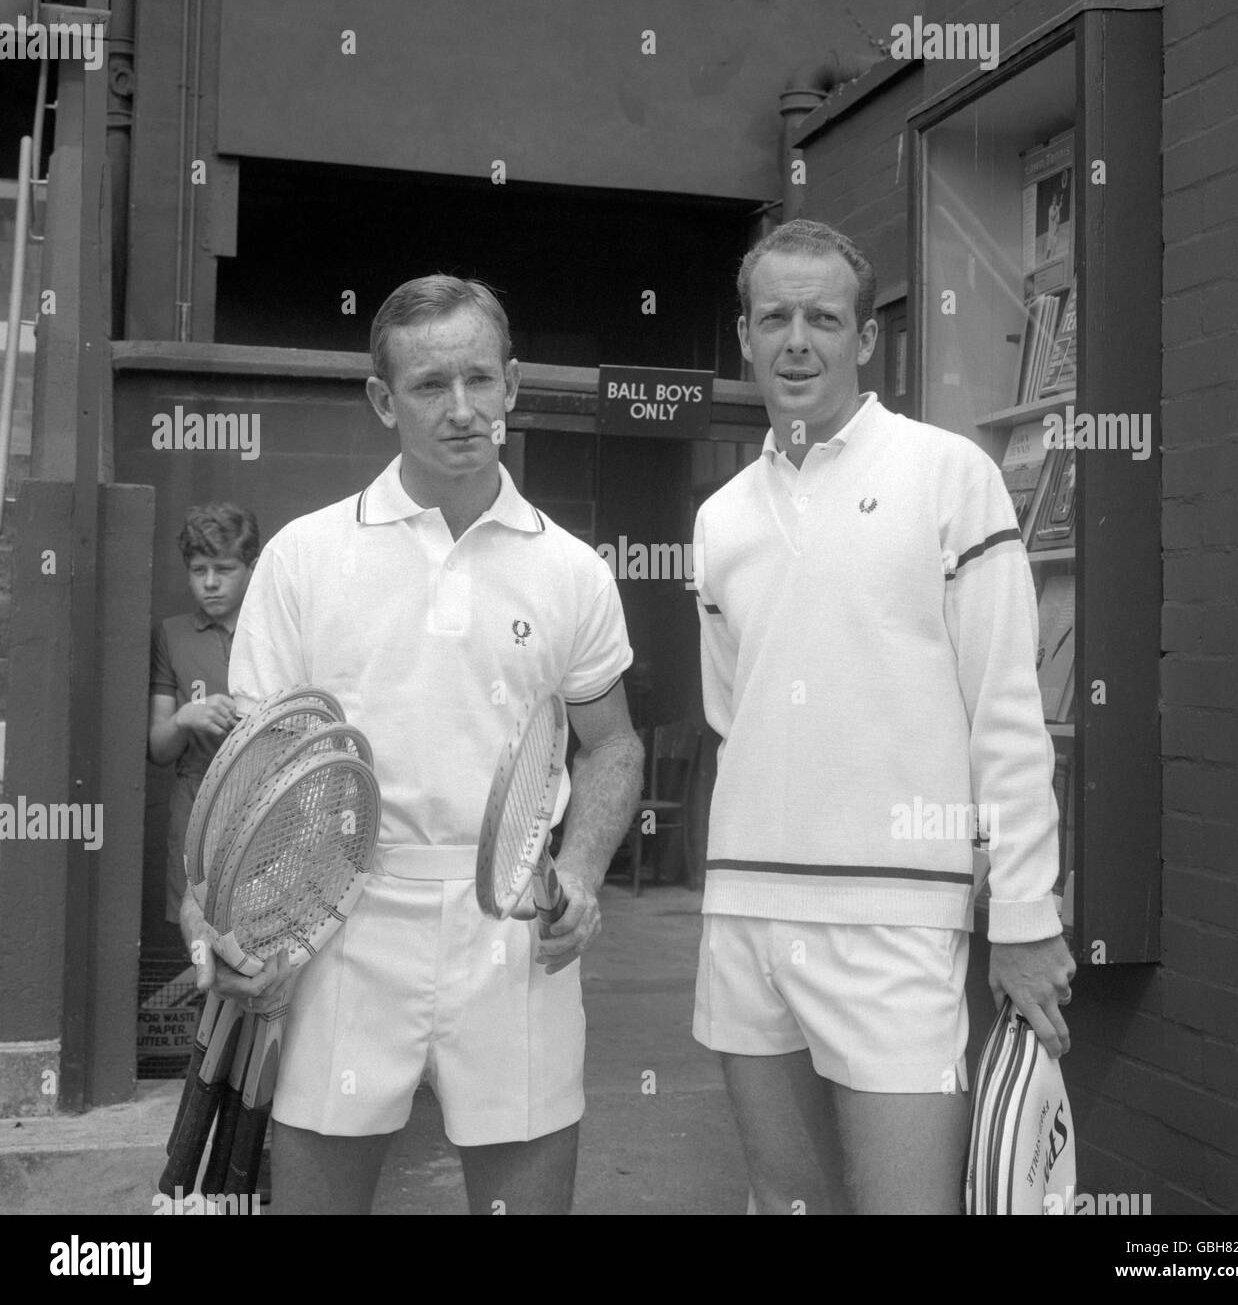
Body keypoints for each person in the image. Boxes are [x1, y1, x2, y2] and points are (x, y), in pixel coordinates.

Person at [181, 275, 644, 1215]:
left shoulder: (570, 571)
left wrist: (583, 874)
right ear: (383, 402)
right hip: (339, 920)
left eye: (482, 379)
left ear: (514, 385)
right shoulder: (306, 557)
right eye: (431, 386)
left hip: (514, 929)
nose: (463, 409)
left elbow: (613, 746)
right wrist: (222, 926)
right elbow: (254, 777)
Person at [691, 219, 1076, 1215]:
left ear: (866, 340)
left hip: (897, 921)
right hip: (745, 914)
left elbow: (1006, 711)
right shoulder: (721, 516)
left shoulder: (949, 476)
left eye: (824, 317)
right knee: (784, 1203)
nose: (796, 340)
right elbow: (735, 716)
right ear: (744, 335)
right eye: (773, 316)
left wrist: (1026, 914)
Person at [148, 503, 260, 937]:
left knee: (261, 938)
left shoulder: (273, 626)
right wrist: (183, 718)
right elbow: (158, 749)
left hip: (265, 801)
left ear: (252, 567)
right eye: (198, 570)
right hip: (195, 800)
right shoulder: (172, 634)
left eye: (224, 569)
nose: (210, 583)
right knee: (199, 940)